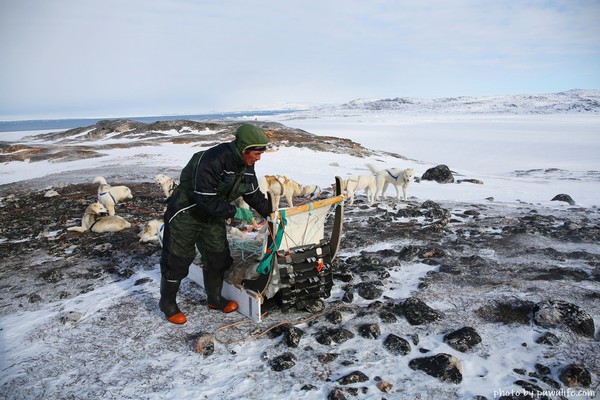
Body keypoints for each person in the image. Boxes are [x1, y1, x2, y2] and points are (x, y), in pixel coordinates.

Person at [158, 124, 272, 324]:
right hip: (187, 213)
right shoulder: (213, 160)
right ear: (244, 148)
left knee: (218, 257)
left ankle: (215, 299)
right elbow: (205, 199)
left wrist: (271, 213)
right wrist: (235, 211)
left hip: (212, 215)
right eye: (256, 153)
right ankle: (167, 303)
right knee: (178, 259)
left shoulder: (246, 165)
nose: (258, 158)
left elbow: (253, 194)